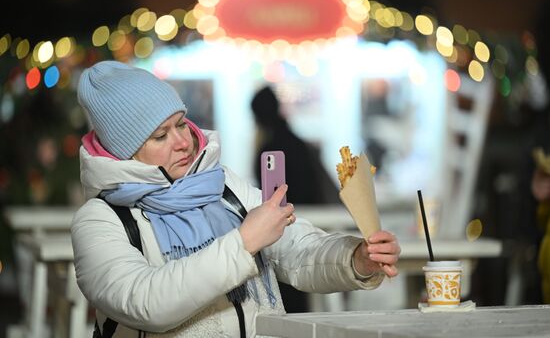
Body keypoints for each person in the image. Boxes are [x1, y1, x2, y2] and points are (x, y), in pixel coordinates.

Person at [71, 61, 401, 338]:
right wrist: (243, 243)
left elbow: (296, 250)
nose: (183, 142)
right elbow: (146, 302)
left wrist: (355, 259)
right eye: (160, 135)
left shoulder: (221, 184)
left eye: (182, 124)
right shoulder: (100, 219)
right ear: (123, 151)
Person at [250, 85, 339, 312]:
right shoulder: (296, 142)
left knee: (288, 295)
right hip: (306, 227)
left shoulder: (271, 145)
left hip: (286, 228)